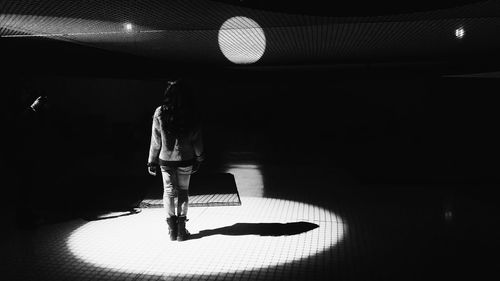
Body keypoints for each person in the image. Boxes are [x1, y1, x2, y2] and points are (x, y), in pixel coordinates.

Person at [147, 79, 204, 241]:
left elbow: (155, 139)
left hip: (165, 160)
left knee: (169, 192)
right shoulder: (192, 113)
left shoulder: (160, 112)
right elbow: (197, 139)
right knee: (183, 192)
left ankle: (171, 230)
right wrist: (200, 156)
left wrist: (151, 160)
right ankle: (181, 230)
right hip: (185, 159)